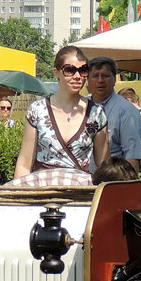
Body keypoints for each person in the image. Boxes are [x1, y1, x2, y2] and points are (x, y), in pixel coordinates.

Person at [14, 46, 108, 182]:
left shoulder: (96, 113)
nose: (77, 76)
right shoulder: (37, 110)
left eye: (83, 70)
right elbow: (24, 163)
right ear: (56, 72)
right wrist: (18, 197)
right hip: (41, 192)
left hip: (78, 195)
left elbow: (104, 166)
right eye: (69, 70)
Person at [86, 56, 141, 174]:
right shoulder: (80, 107)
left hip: (109, 182)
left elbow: (132, 155)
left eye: (105, 75)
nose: (100, 80)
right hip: (79, 183)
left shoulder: (126, 111)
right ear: (87, 80)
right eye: (95, 76)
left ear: (114, 79)